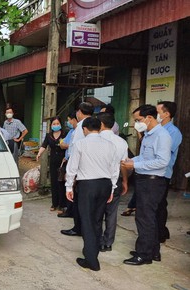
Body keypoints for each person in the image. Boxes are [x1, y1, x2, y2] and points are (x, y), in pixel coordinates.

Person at [65, 117, 118, 271]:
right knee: (96, 220)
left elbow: (72, 167)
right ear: (100, 128)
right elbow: (114, 169)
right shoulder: (110, 145)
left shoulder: (80, 144)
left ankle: (91, 260)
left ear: (85, 129)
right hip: (105, 184)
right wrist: (112, 189)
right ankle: (92, 251)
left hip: (88, 185)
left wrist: (69, 187)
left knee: (87, 221)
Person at [121, 104, 171, 266]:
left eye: (138, 120)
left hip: (152, 182)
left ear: (149, 118)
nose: (137, 123)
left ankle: (144, 255)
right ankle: (153, 251)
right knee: (150, 218)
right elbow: (144, 157)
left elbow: (162, 162)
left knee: (145, 218)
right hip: (145, 180)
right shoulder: (149, 134)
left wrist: (134, 166)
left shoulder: (162, 136)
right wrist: (130, 161)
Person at [96, 112, 129, 252]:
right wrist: (125, 181)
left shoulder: (95, 140)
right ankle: (108, 242)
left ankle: (97, 241)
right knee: (111, 213)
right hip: (115, 182)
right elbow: (124, 164)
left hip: (97, 182)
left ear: (101, 124)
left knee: (96, 213)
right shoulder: (121, 142)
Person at [61, 102, 94, 236]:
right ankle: (81, 227)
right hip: (88, 169)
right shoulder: (92, 123)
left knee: (79, 201)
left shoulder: (83, 127)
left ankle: (78, 228)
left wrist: (71, 174)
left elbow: (76, 150)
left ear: (79, 112)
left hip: (80, 169)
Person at [156, 101, 182, 243]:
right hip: (153, 173)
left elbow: (162, 153)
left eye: (158, 112)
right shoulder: (158, 129)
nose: (156, 115)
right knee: (156, 205)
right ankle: (161, 232)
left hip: (163, 173)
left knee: (160, 205)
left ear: (166, 114)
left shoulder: (173, 132)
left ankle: (161, 234)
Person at [36, 116, 66, 212]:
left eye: (57, 123)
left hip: (63, 162)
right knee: (54, 182)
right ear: (51, 125)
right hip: (53, 161)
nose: (56, 125)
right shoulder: (49, 135)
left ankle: (62, 205)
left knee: (61, 182)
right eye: (54, 124)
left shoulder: (65, 134)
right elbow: (44, 145)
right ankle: (54, 203)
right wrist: (39, 153)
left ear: (60, 124)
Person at [58, 111, 78, 218]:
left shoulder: (78, 132)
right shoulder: (71, 132)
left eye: (69, 120)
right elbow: (62, 144)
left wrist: (65, 144)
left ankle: (71, 210)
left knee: (72, 185)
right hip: (67, 159)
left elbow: (67, 145)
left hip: (74, 161)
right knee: (67, 184)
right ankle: (68, 209)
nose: (68, 122)